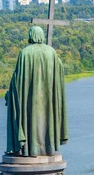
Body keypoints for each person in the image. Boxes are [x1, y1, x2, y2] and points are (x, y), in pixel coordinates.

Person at [5, 26, 68, 156]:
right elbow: (59, 71)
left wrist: (9, 94)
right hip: (48, 98)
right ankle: (48, 148)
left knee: (29, 119)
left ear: (31, 35)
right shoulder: (51, 52)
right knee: (46, 119)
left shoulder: (25, 53)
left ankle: (29, 149)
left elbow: (17, 80)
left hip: (29, 99)